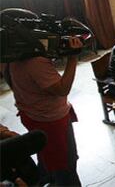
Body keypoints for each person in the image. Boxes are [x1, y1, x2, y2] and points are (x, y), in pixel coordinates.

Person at [5, 37, 83, 186]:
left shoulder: (11, 55)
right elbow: (62, 89)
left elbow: (10, 81)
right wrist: (73, 57)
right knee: (65, 164)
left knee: (46, 155)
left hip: (31, 114)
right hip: (51, 121)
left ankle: (49, 179)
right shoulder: (35, 61)